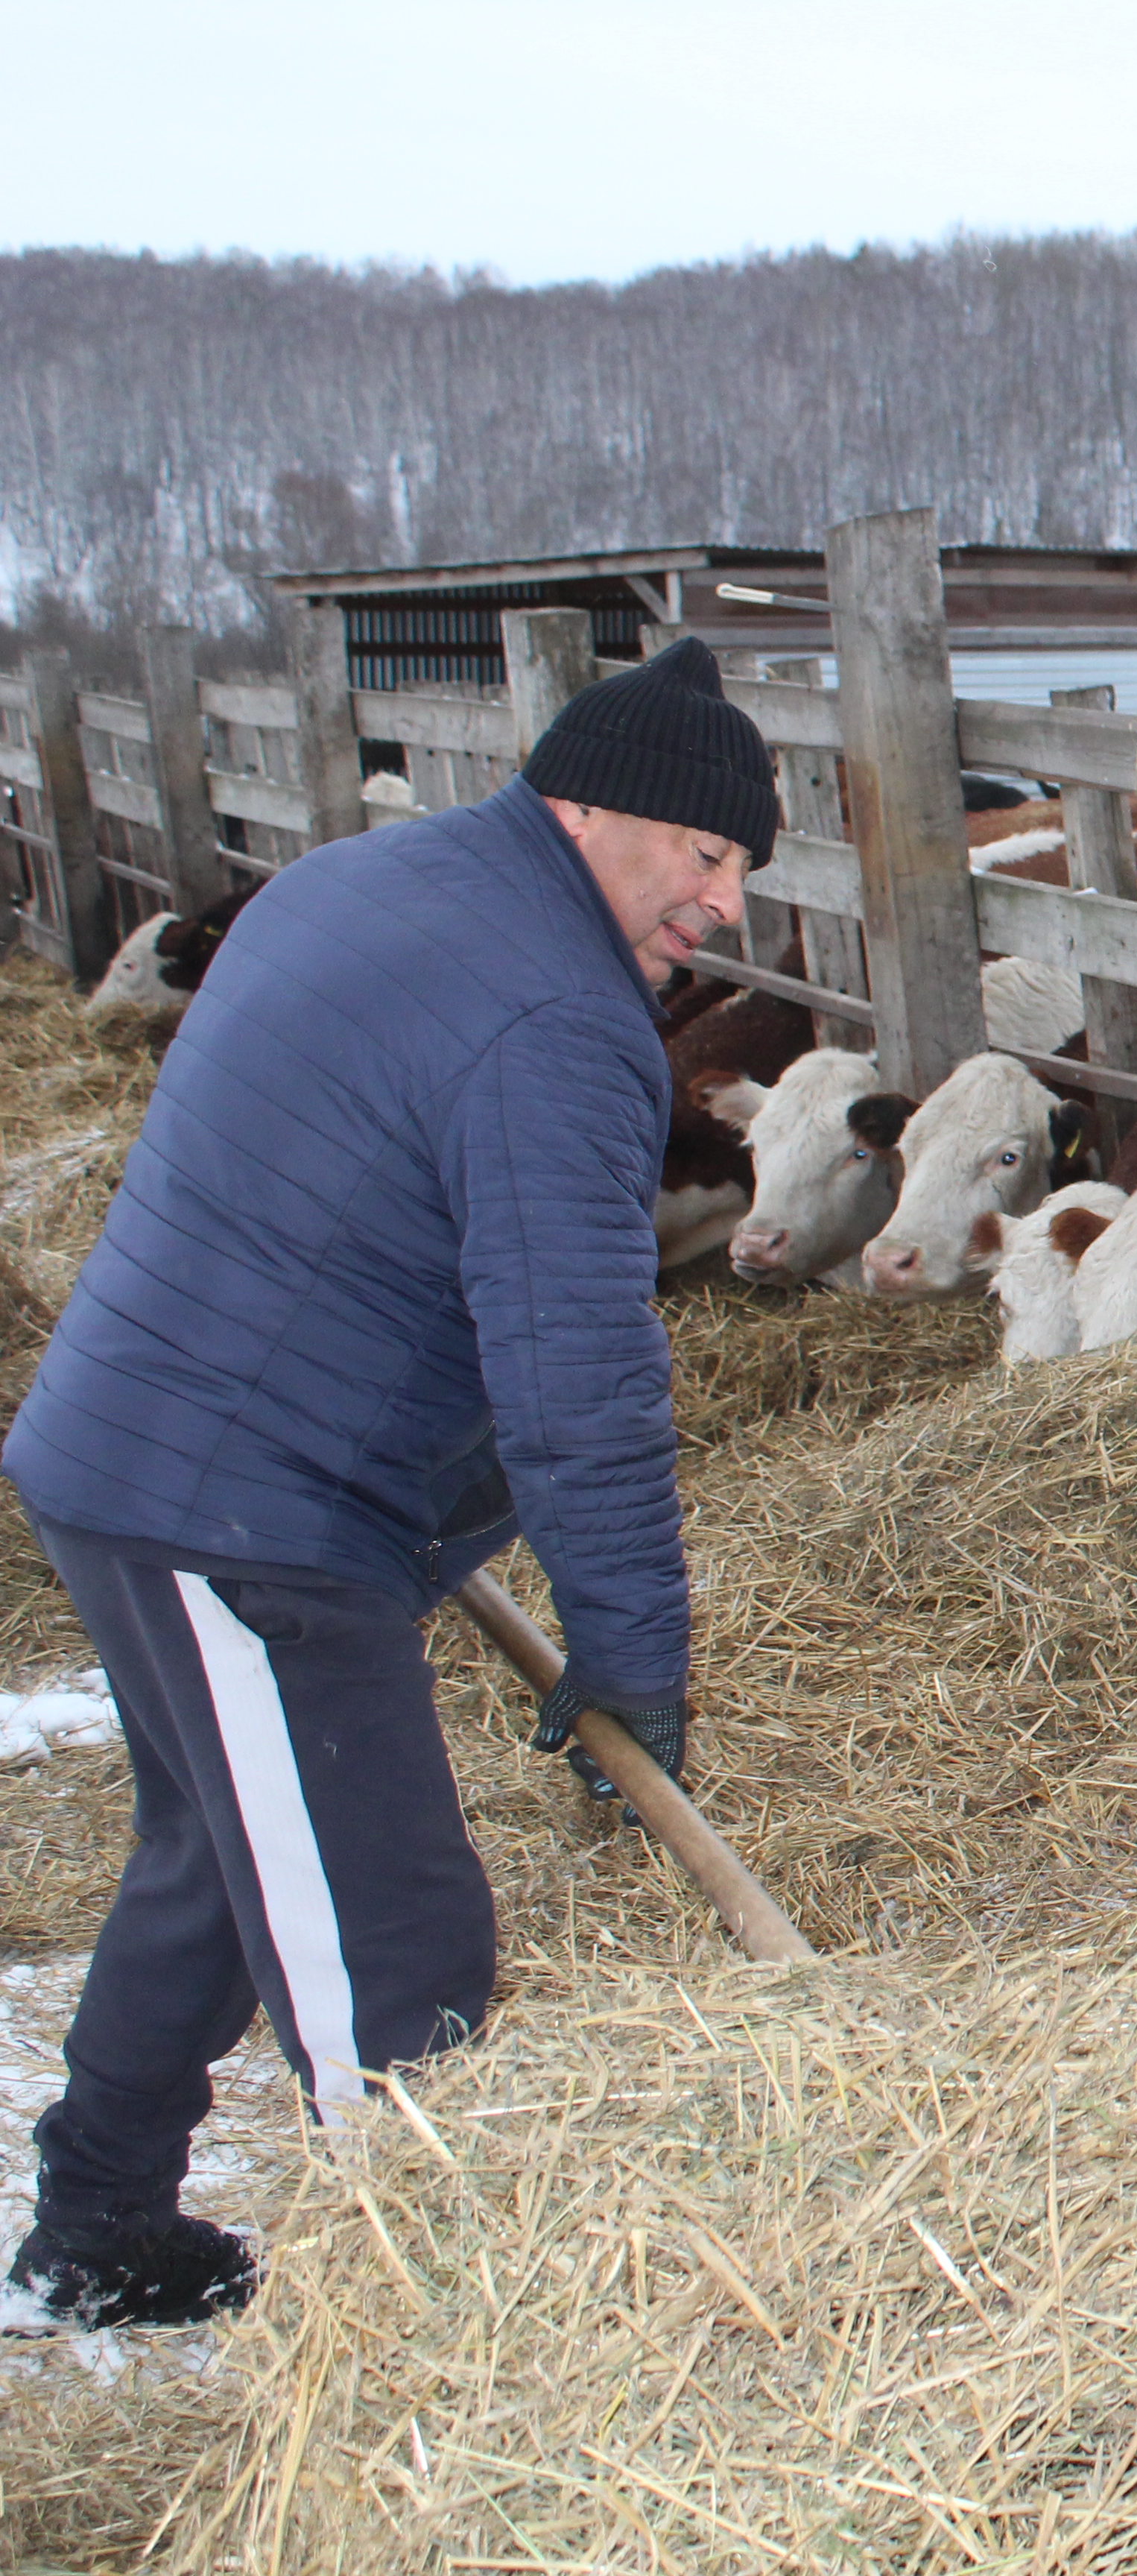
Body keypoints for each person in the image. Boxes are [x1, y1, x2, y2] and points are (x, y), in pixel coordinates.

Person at [2, 638, 770, 2327]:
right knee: (394, 1942)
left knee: (221, 1858)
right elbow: (578, 1376)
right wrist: (634, 1650)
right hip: (243, 1513)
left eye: (737, 873)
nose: (721, 907)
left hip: (160, 1455)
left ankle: (99, 2225)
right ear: (590, 808)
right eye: (704, 858)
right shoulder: (553, 1020)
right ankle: (430, 2370)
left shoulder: (372, 882)